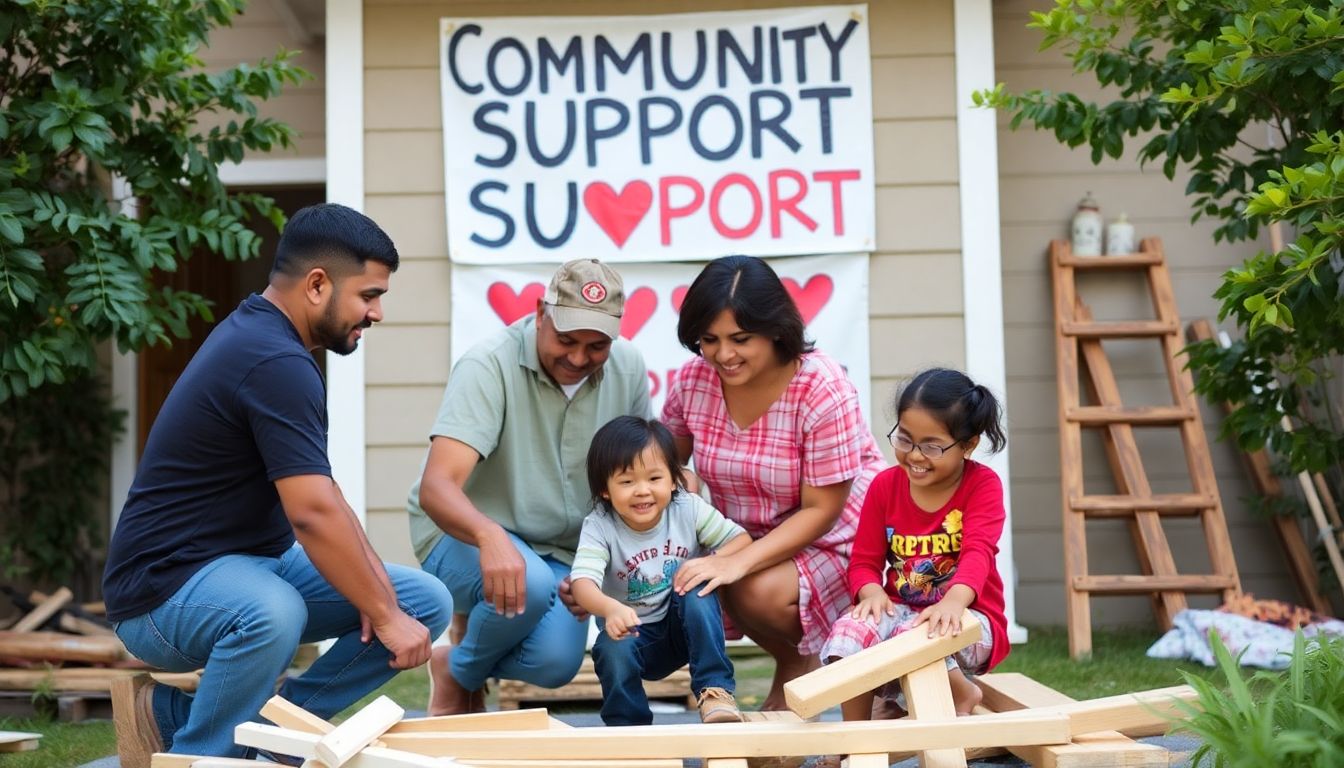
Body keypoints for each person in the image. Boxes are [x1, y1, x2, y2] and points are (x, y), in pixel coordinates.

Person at [102, 204, 452, 765]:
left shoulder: (274, 346)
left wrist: (386, 603)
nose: (378, 313)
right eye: (368, 295)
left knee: (423, 601)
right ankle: (203, 754)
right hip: (160, 595)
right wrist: (382, 618)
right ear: (318, 284)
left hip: (246, 565)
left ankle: (274, 734)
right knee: (274, 611)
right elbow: (310, 513)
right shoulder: (271, 360)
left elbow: (327, 499)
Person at [408, 258, 652, 715]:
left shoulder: (630, 368)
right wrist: (489, 537)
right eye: (565, 339)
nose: (578, 358)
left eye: (597, 346)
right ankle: (457, 677)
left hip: (562, 550)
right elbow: (437, 487)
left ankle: (459, 658)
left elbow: (635, 478)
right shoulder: (487, 364)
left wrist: (600, 567)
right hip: (461, 533)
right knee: (532, 583)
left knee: (557, 664)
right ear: (541, 313)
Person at [661, 255, 887, 710]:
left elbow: (823, 510)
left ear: (776, 329)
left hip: (841, 537)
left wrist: (735, 562)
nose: (723, 354)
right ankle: (796, 669)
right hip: (747, 536)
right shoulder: (694, 381)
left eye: (740, 339)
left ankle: (797, 672)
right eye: (710, 340)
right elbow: (665, 462)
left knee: (747, 587)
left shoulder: (821, 386)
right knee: (701, 574)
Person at [821, 368, 1010, 720]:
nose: (915, 456)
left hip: (969, 617)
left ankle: (961, 693)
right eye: (905, 440)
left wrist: (954, 601)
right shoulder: (884, 486)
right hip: (901, 611)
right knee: (849, 630)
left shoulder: (983, 485)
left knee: (914, 637)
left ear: (968, 444)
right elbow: (863, 561)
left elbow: (977, 552)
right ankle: (852, 739)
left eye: (932, 446)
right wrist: (870, 593)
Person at [571, 416, 752, 726]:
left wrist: (713, 561)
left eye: (654, 478)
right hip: (634, 634)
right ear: (605, 489)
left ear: (673, 479)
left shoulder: (687, 508)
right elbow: (582, 583)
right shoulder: (599, 525)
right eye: (627, 482)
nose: (643, 491)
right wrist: (610, 608)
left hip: (685, 626)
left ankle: (715, 692)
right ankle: (628, 728)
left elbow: (741, 540)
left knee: (697, 583)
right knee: (610, 649)